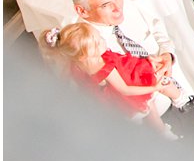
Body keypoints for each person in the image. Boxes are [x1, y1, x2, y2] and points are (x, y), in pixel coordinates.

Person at [69, 0, 194, 144]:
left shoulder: (124, 4)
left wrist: (167, 54)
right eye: (106, 5)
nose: (118, 7)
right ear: (82, 11)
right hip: (150, 123)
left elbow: (156, 27)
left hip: (177, 97)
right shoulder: (86, 47)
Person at [46, 22, 180, 138]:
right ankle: (165, 124)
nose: (103, 41)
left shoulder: (75, 66)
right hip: (123, 95)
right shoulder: (103, 68)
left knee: (150, 104)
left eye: (99, 37)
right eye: (98, 43)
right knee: (150, 101)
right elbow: (126, 90)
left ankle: (162, 126)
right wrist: (154, 87)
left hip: (107, 99)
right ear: (84, 55)